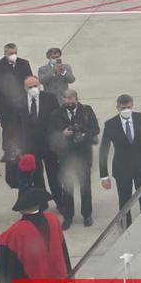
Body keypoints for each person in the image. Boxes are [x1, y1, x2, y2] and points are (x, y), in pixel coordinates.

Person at [99, 95, 141, 220]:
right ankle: (126, 226)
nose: (126, 110)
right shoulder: (110, 125)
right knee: (124, 201)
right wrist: (104, 176)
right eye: (123, 108)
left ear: (132, 106)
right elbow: (104, 151)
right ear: (117, 108)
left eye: (129, 107)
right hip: (122, 169)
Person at [47, 89, 99, 229]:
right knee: (67, 188)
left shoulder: (86, 111)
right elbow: (50, 134)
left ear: (76, 98)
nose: (69, 101)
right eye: (66, 98)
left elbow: (95, 129)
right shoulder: (56, 114)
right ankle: (68, 216)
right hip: (66, 156)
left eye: (71, 98)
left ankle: (87, 214)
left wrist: (84, 135)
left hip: (83, 155)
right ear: (63, 99)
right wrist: (62, 134)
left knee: (85, 186)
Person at [0, 45, 35, 161]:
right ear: (5, 53)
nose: (13, 55)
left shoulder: (24, 64)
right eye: (10, 53)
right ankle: (8, 151)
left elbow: (29, 81)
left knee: (23, 127)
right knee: (8, 129)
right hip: (5, 106)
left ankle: (24, 150)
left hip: (22, 103)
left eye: (15, 52)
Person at [16, 76, 58, 190]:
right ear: (25, 88)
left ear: (39, 85)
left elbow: (57, 120)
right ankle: (41, 198)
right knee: (36, 176)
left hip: (49, 145)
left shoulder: (50, 98)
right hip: (30, 147)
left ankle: (58, 198)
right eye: (30, 87)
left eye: (35, 86)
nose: (33, 88)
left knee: (54, 175)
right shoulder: (19, 102)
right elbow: (16, 126)